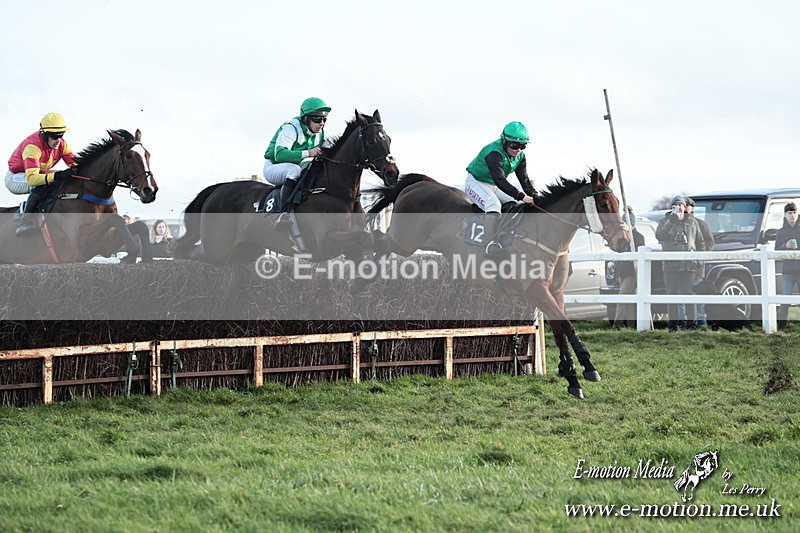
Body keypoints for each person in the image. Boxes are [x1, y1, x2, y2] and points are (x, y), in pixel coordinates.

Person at [464, 121, 537, 255]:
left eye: (523, 146)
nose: (518, 150)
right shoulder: (493, 153)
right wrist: (522, 196)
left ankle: (504, 234)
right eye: (514, 145)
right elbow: (500, 180)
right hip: (476, 183)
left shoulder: (520, 156)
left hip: (494, 185)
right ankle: (488, 243)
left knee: (516, 204)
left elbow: (524, 179)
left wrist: (534, 196)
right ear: (504, 141)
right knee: (493, 204)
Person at [263, 97, 330, 229]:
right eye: (317, 119)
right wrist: (308, 153)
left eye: (324, 119)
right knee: (294, 170)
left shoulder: (319, 133)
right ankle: (283, 213)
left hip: (295, 165)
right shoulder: (291, 128)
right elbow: (279, 154)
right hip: (273, 166)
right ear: (305, 119)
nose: (321, 123)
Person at [6, 112, 78, 236]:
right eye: (55, 136)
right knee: (44, 183)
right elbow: (33, 179)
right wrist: (56, 176)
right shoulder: (32, 147)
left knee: (62, 180)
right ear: (44, 135)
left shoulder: (62, 144)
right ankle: (25, 221)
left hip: (37, 173)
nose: (58, 140)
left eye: (61, 135)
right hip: (16, 177)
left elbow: (76, 165)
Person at [656, 196, 705, 332]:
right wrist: (671, 221)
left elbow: (701, 242)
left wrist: (699, 261)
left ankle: (692, 325)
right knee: (671, 295)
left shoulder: (693, 222)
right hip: (670, 266)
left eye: (681, 205)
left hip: (689, 266)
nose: (678, 207)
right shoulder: (664, 221)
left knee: (689, 294)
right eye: (675, 205)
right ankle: (673, 325)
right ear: (671, 207)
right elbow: (659, 236)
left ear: (685, 207)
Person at [612, 207, 646, 328]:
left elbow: (637, 250)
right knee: (628, 299)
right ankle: (631, 325)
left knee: (622, 296)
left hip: (632, 272)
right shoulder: (622, 235)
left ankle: (617, 324)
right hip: (623, 271)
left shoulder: (638, 237)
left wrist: (630, 237)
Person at [685, 197, 715, 328]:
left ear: (692, 208)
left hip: (696, 268)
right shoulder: (676, 223)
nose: (684, 208)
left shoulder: (700, 224)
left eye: (687, 205)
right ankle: (690, 322)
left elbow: (709, 242)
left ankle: (701, 322)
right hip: (682, 268)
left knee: (697, 294)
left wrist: (698, 256)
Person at [776, 202, 800, 329]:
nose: (792, 215)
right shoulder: (780, 232)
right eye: (790, 212)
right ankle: (781, 329)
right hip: (788, 272)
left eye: (794, 212)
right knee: (785, 301)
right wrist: (785, 246)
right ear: (785, 215)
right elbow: (775, 251)